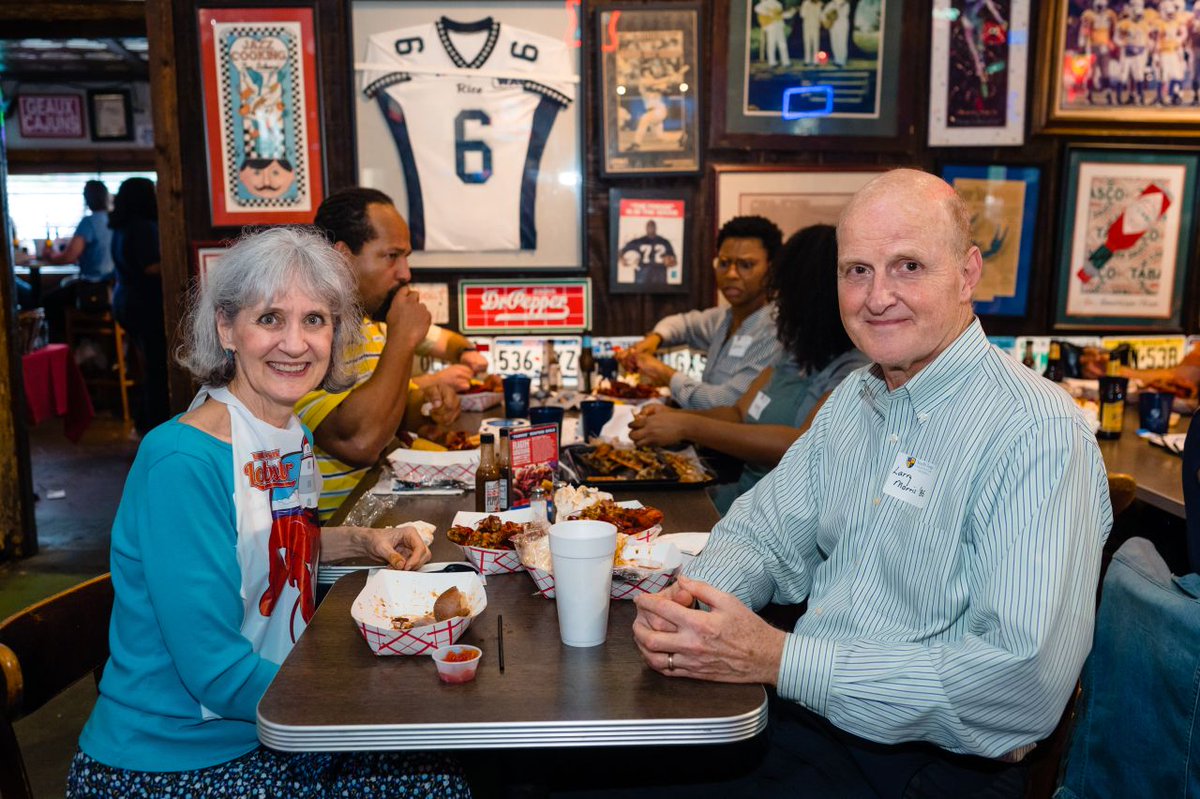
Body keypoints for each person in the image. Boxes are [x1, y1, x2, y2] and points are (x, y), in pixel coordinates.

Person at [631, 170, 1112, 798]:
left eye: (908, 266)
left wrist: (776, 658)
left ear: (969, 274)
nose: (877, 296)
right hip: (811, 721)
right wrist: (692, 608)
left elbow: (1017, 688)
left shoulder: (1038, 434)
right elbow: (763, 534)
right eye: (857, 270)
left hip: (931, 766)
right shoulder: (855, 398)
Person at [67, 227, 469, 798]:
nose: (296, 343)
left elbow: (267, 540)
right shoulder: (183, 462)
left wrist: (363, 541)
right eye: (270, 319)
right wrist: (373, 695)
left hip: (270, 726)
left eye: (314, 320)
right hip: (176, 764)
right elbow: (217, 672)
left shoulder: (285, 431)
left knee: (440, 774)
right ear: (226, 328)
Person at [628, 225, 868, 514]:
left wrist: (686, 425)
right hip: (745, 498)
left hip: (786, 515)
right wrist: (673, 416)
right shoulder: (793, 349)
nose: (779, 303)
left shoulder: (856, 367)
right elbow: (738, 412)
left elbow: (802, 443)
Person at [297, 187, 463, 521]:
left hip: (382, 519)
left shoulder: (371, 324)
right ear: (341, 257)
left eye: (406, 257)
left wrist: (430, 403)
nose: (405, 273)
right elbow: (359, 443)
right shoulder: (302, 338)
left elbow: (398, 412)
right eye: (392, 256)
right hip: (328, 546)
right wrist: (403, 340)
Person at [625, 215, 783, 410]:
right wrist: (655, 339)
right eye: (724, 263)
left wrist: (666, 375)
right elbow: (684, 324)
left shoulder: (775, 332)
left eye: (746, 265)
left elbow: (728, 404)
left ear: (771, 269)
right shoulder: (725, 317)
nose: (731, 274)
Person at [109, 177, 170, 436]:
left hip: (125, 299)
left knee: (149, 366)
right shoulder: (143, 227)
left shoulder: (120, 227)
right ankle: (155, 425)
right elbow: (150, 266)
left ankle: (145, 421)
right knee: (157, 366)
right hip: (144, 303)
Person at [42, 180, 115, 340]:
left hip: (93, 289)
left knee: (47, 301)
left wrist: (49, 258)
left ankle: (65, 347)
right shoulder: (114, 220)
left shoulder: (89, 222)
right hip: (113, 289)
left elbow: (69, 257)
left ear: (87, 199)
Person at [619, 220, 677, 287]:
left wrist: (670, 262)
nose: (651, 228)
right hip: (642, 275)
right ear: (646, 228)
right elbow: (621, 251)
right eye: (649, 226)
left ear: (656, 228)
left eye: (652, 226)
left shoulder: (664, 242)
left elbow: (674, 261)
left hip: (660, 275)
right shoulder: (638, 241)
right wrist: (622, 259)